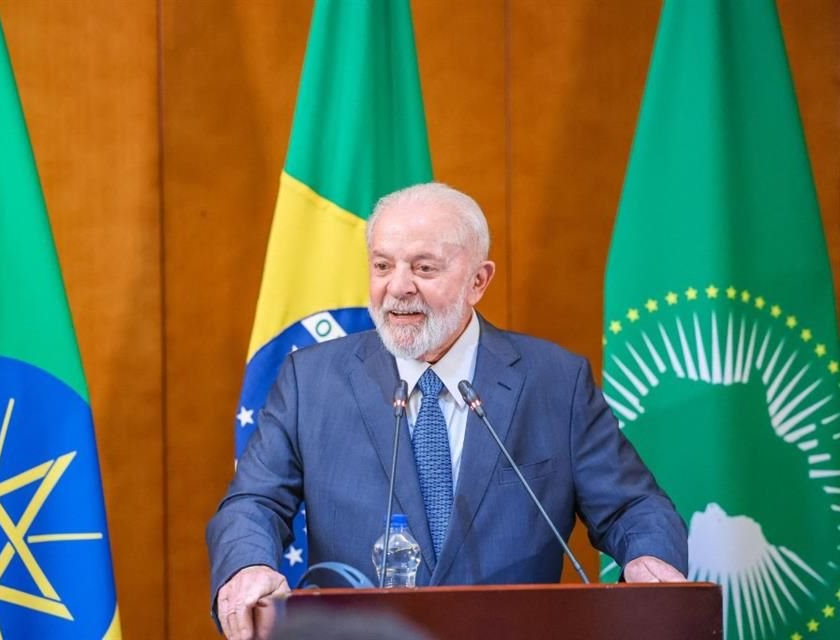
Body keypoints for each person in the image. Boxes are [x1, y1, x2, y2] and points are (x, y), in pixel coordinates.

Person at [207, 183, 687, 640]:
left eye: (424, 268)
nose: (398, 288)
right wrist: (248, 566)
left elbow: (631, 506)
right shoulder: (310, 381)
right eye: (382, 266)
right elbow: (254, 501)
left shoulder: (554, 383)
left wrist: (651, 558)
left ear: (478, 280)